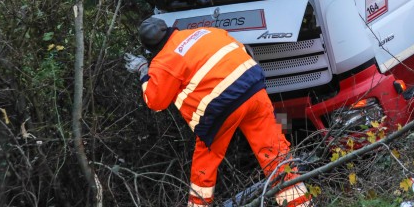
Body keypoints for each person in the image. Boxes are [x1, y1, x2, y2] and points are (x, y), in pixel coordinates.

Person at [125, 17, 311, 207]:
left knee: (204, 165)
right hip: (254, 90)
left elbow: (156, 101)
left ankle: (199, 205)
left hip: (221, 109)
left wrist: (143, 70)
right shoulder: (204, 32)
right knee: (275, 151)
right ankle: (300, 203)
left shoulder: (163, 61)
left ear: (149, 49)